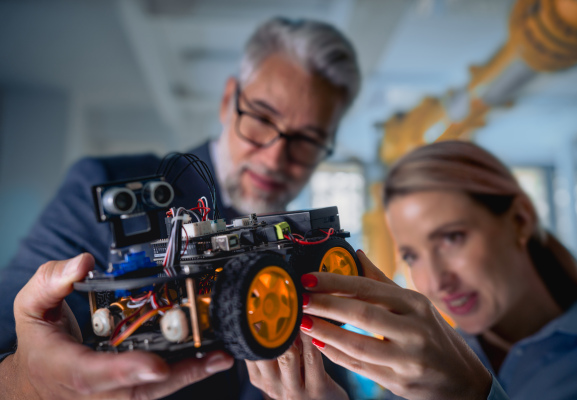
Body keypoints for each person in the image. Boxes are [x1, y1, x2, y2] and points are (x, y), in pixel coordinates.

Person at [0, 17, 360, 399]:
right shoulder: (109, 189)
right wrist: (25, 382)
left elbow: (335, 375)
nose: (275, 157)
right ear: (228, 101)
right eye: (262, 118)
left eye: (307, 140)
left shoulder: (309, 256)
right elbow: (9, 331)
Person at [249, 140, 577, 400]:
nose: (435, 282)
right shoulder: (424, 366)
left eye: (452, 238)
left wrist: (472, 394)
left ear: (520, 220)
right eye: (412, 255)